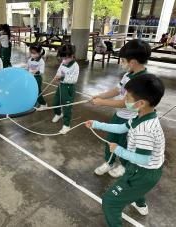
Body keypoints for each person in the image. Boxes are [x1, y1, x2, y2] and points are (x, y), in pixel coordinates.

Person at [86, 74, 165, 227]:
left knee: (109, 202)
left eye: (127, 98)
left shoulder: (145, 129)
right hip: (143, 170)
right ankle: (140, 205)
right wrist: (96, 124)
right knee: (135, 187)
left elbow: (143, 159)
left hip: (144, 172)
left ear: (141, 103)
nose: (124, 101)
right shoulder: (140, 115)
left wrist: (119, 150)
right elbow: (121, 127)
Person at [91, 40, 151, 178]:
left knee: (126, 144)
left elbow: (124, 103)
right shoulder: (128, 74)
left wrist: (102, 102)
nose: (122, 63)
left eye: (123, 60)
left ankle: (124, 165)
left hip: (131, 120)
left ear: (133, 62)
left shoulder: (142, 81)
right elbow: (117, 90)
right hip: (119, 116)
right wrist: (100, 96)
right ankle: (109, 162)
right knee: (111, 140)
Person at [52, 44, 79, 134]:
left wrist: (62, 78)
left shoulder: (75, 66)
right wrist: (57, 75)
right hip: (61, 86)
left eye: (66, 58)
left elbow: (74, 80)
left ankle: (66, 125)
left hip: (69, 88)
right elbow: (60, 71)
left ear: (72, 56)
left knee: (67, 107)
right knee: (55, 102)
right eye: (62, 58)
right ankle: (59, 114)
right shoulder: (63, 62)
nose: (64, 60)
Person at [27, 43, 47, 111]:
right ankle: (34, 101)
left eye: (34, 53)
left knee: (38, 91)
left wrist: (36, 71)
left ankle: (44, 104)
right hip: (30, 77)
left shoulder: (41, 61)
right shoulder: (30, 60)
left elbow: (42, 71)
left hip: (37, 78)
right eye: (31, 53)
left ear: (39, 53)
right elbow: (28, 67)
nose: (32, 55)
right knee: (31, 90)